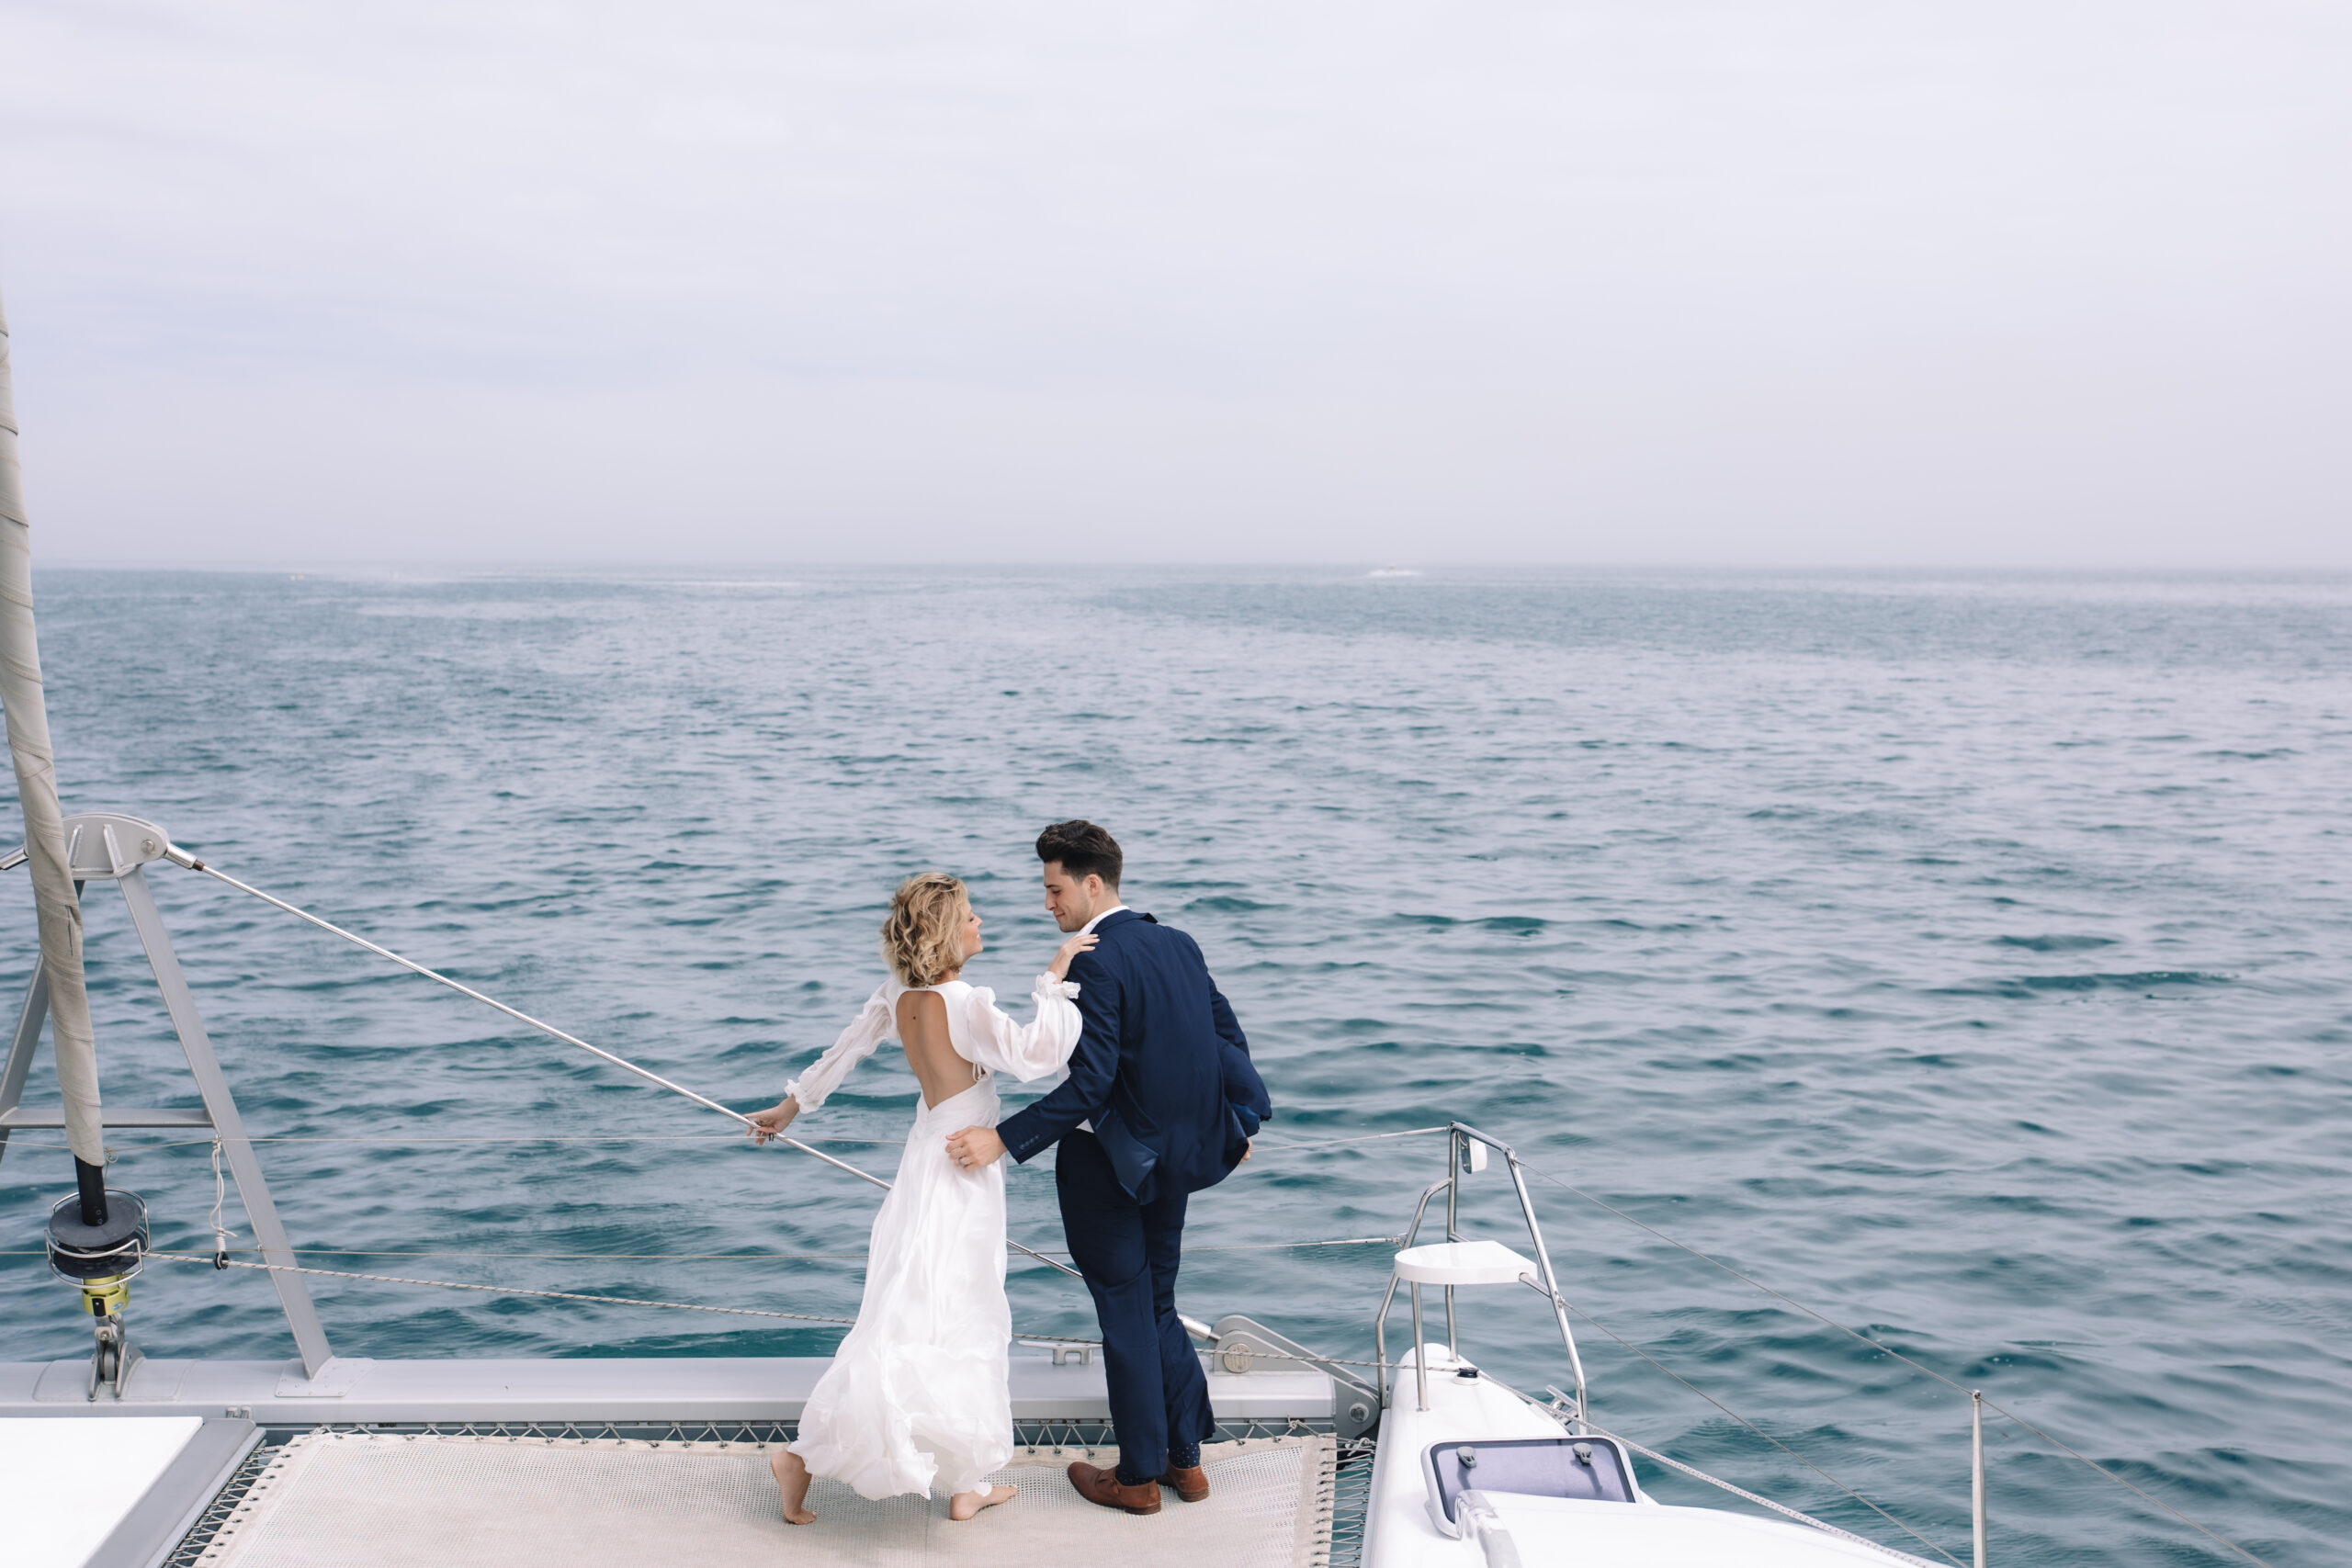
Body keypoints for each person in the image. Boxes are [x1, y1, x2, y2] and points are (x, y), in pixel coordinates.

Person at [743, 872, 1096, 1525]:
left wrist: (791, 1107)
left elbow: (844, 1051)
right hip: (963, 1169)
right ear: (945, 931)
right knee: (965, 1310)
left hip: (921, 1163)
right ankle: (941, 1476)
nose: (980, 921)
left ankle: (949, 1478)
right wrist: (1055, 975)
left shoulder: (899, 993)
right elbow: (1036, 1054)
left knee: (905, 1309)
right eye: (969, 915)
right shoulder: (966, 1002)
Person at [944, 820, 1272, 1517]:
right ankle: (1186, 1462)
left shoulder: (1095, 959)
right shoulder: (1179, 943)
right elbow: (1224, 1041)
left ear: (1092, 884)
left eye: (1053, 888)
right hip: (1173, 1163)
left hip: (1106, 1163)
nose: (1047, 903)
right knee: (1157, 1306)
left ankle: (1136, 1477)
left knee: (1126, 1313)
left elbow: (1090, 1084)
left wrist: (1003, 1137)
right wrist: (1237, 1121)